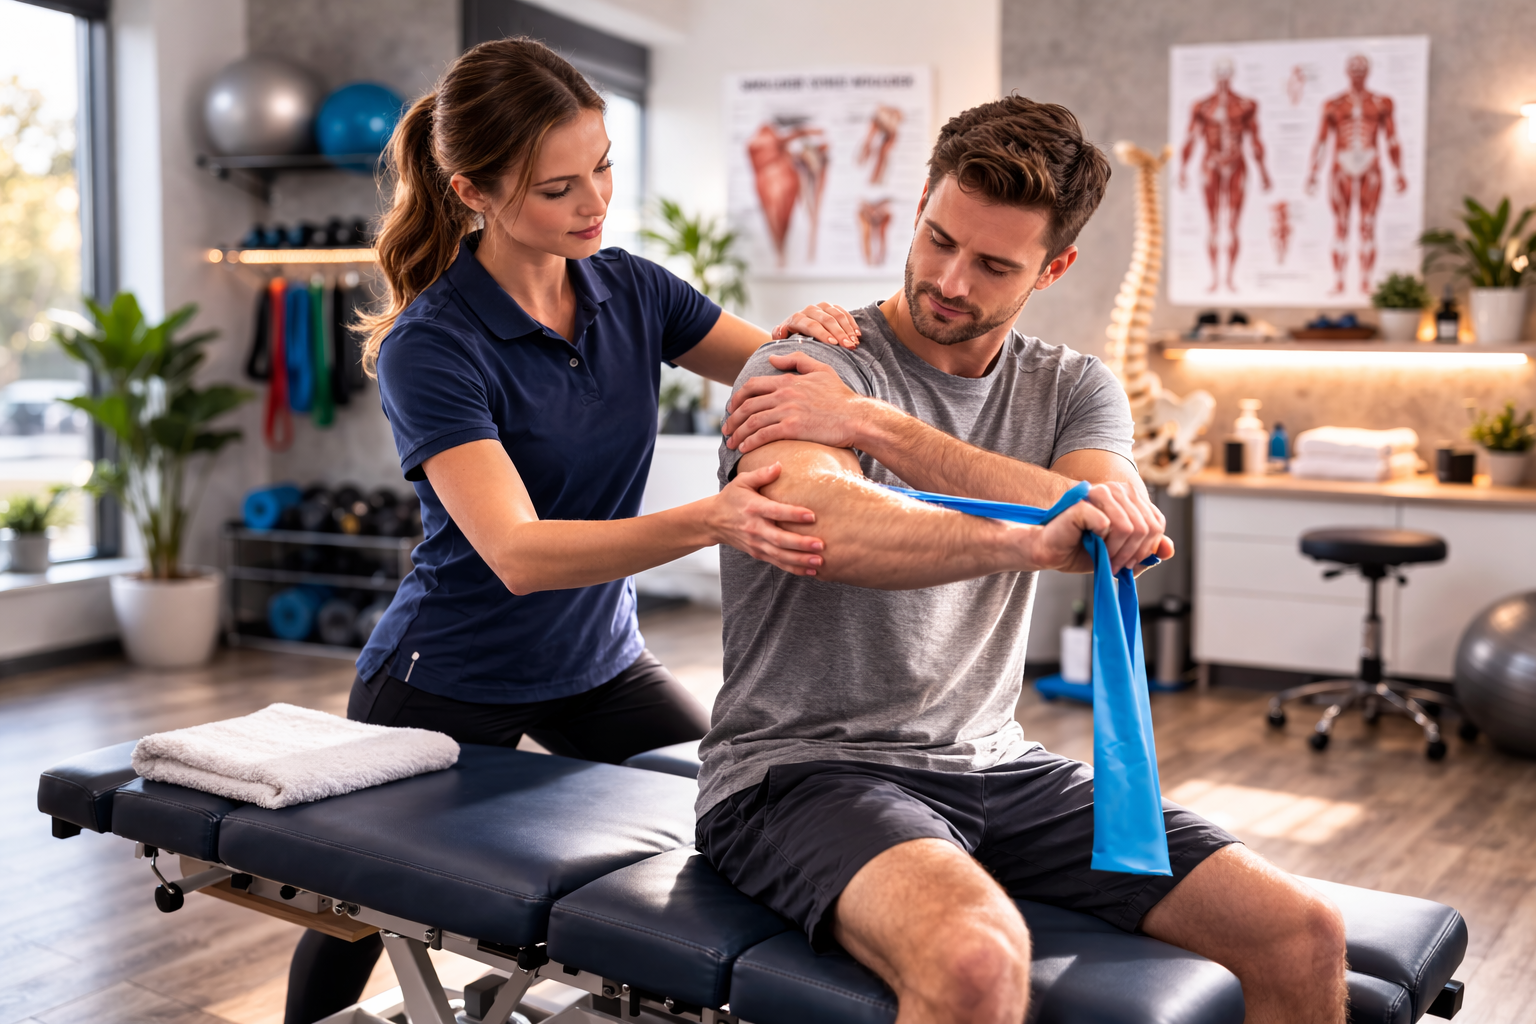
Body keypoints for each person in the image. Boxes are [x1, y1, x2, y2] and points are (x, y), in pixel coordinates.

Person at [701, 96, 1348, 1024]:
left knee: (1303, 933)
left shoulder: (1072, 386)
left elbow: (1111, 517)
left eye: (994, 264)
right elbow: (820, 528)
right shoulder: (810, 363)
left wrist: (877, 429)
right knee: (974, 962)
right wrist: (1026, 528)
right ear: (923, 201)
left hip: (992, 763)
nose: (950, 281)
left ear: (1055, 267)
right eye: (936, 239)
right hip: (799, 770)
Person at [282, 37, 854, 1024]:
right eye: (559, 188)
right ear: (474, 192)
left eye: (603, 168)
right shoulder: (436, 344)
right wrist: (714, 518)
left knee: (740, 798)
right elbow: (518, 551)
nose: (595, 202)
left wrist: (811, 346)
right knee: (354, 908)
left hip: (597, 662)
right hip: (442, 673)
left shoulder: (632, 289)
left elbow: (781, 373)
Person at [1306, 53, 1408, 295]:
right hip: (1341, 166)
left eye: (1362, 69)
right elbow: (1321, 140)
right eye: (1354, 69)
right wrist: (1313, 171)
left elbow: (1391, 138)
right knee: (1340, 224)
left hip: (1370, 166)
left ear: (1368, 72)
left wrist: (1398, 171)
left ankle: (1365, 281)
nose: (1357, 74)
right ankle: (1339, 280)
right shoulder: (1334, 105)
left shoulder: (1381, 103)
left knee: (1367, 224)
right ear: (1347, 72)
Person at [1178, 58, 1271, 293]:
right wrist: (1182, 169)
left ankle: (1228, 278)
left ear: (1231, 75)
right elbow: (1191, 138)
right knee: (1212, 224)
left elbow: (1255, 139)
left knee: (1232, 224)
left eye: (1225, 73)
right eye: (1218, 73)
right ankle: (1214, 279)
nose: (1222, 77)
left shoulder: (1246, 105)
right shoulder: (1201, 106)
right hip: (1211, 164)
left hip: (1236, 163)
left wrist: (1263, 173)